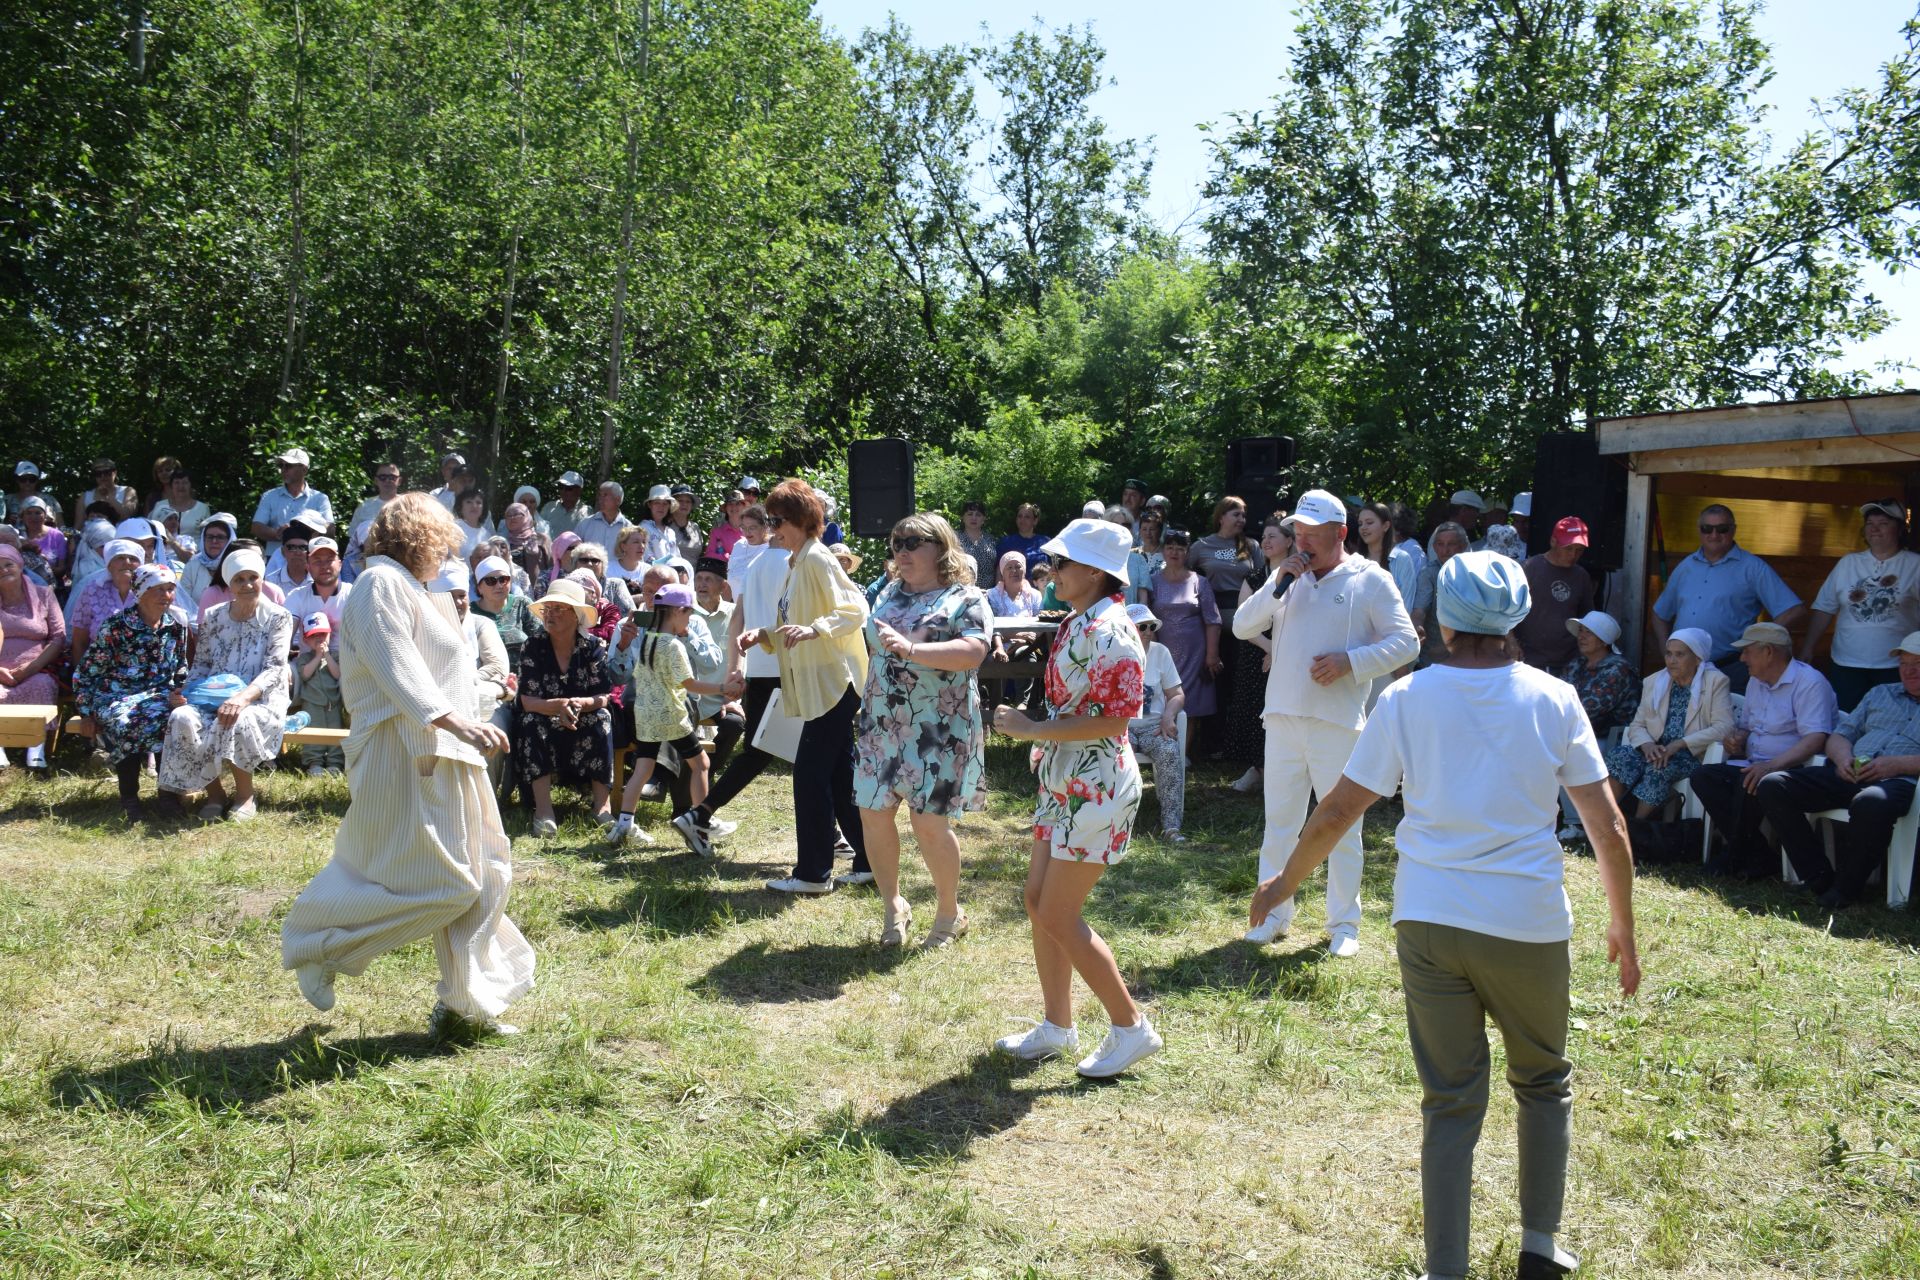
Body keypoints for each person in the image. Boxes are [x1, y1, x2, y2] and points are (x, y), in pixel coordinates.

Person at [1248, 549, 1639, 1280]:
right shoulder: (1554, 698)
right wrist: (1623, 923)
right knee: (1544, 1082)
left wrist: (1282, 884)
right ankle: (1541, 1245)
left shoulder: (1405, 697)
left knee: (1451, 1100)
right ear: (1520, 616)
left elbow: (1336, 810)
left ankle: (1445, 1269)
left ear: (1442, 623)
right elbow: (1608, 827)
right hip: (1527, 922)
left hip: (1429, 920)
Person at [279, 493, 527, 1037]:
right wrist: (454, 722)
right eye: (441, 542)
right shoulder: (378, 582)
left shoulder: (418, 588)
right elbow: (397, 665)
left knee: (487, 871)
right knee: (442, 882)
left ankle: (466, 1000)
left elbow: (451, 669)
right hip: (404, 747)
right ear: (421, 537)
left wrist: (474, 715)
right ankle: (321, 945)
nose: (445, 553)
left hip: (450, 749)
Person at [990, 517, 1162, 1078]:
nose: (1052, 570)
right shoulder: (1078, 620)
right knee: (1039, 903)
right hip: (1068, 781)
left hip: (1098, 784)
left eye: (1062, 563)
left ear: (1093, 571)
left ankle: (1131, 1028)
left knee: (1059, 913)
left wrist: (1032, 729)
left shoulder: (1111, 629)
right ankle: (1058, 1026)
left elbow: (1116, 719)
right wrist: (1043, 737)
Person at [1231, 488, 1419, 954]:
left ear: (1340, 533)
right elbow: (1241, 627)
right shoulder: (1287, 577)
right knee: (1280, 823)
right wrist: (1278, 582)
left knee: (1341, 826)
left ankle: (1344, 926)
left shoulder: (1369, 579)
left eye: (1314, 536)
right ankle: (1273, 914)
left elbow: (1406, 643)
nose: (1304, 544)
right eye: (1300, 534)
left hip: (1337, 722)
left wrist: (1351, 662)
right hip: (1281, 718)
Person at [727, 479, 871, 894]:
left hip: (833, 683)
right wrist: (765, 635)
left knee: (810, 775)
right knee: (840, 774)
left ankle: (812, 874)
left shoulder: (817, 559)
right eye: (770, 520)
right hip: (821, 684)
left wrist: (815, 629)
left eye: (778, 520)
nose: (773, 529)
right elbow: (800, 618)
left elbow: (855, 608)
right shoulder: (798, 562)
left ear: (802, 519)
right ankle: (867, 861)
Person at [854, 513, 991, 947]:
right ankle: (893, 904)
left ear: (941, 548)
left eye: (913, 542)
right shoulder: (889, 592)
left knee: (928, 822)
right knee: (873, 814)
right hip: (881, 720)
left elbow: (973, 652)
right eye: (896, 543)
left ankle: (950, 912)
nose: (903, 551)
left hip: (938, 726)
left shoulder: (964, 598)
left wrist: (914, 649)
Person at [1755, 632, 1920, 908]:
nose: (1909, 670)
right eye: (1904, 663)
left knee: (1870, 802)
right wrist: (1843, 759)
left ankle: (1846, 889)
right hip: (1852, 770)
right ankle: (1818, 877)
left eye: (1918, 663)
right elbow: (1841, 735)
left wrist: (1898, 764)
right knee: (1774, 784)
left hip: (1900, 781)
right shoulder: (1881, 693)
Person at [1689, 623, 1837, 878]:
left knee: (1753, 782)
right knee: (1704, 777)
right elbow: (1747, 726)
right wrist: (1736, 739)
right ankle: (1759, 856)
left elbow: (1816, 739)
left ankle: (1736, 855)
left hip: (1792, 769)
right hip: (1755, 763)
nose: (1742, 658)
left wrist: (1772, 765)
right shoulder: (1756, 681)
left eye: (1747, 651)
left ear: (1768, 652)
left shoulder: (1809, 683)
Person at [677, 510, 789, 845]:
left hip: (761, 671)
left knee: (761, 752)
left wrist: (736, 668)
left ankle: (700, 813)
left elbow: (737, 618)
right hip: (786, 673)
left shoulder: (754, 565)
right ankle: (834, 836)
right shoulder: (793, 563)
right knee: (804, 754)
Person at [159, 547, 294, 821]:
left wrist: (242, 698)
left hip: (262, 698)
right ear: (229, 584)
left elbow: (275, 669)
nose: (246, 585)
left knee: (237, 718)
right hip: (215, 695)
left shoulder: (279, 617)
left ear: (262, 579)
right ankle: (215, 793)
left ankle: (245, 796)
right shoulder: (213, 616)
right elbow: (202, 664)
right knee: (182, 716)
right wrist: (188, 694)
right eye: (239, 579)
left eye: (252, 577)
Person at [73, 563, 191, 820]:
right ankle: (130, 798)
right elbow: (87, 672)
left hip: (159, 696)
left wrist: (179, 692)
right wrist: (85, 712)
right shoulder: (116, 626)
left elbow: (181, 667)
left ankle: (167, 796)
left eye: (170, 589)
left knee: (173, 720)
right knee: (130, 722)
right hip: (116, 696)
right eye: (157, 589)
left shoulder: (175, 626)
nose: (165, 596)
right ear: (139, 592)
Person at [607, 582, 720, 851]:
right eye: (690, 614)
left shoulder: (646, 640)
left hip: (646, 716)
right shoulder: (673, 645)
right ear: (679, 611)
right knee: (701, 765)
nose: (690, 621)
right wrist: (723, 689)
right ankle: (699, 822)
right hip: (672, 717)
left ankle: (624, 823)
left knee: (642, 770)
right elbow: (689, 685)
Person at [1651, 504, 1803, 694]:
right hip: (1684, 668)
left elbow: (1792, 610)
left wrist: (1759, 643)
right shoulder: (1686, 566)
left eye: (1722, 529)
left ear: (1733, 530)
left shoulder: (1752, 568)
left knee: (1726, 723)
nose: (1714, 535)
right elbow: (1659, 614)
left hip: (1730, 668)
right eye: (1707, 529)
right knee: (1681, 722)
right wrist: (1668, 653)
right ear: (1699, 530)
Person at [515, 577, 616, 835]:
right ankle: (544, 811)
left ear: (576, 616)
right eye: (548, 609)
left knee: (602, 718)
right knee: (531, 724)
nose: (550, 614)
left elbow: (604, 695)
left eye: (559, 609)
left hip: (582, 716)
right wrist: (560, 705)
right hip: (543, 715)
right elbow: (527, 701)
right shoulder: (533, 645)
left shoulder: (592, 647)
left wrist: (580, 704)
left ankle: (602, 807)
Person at [1799, 499, 1920, 712]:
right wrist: (1809, 647)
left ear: (1900, 529)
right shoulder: (1848, 563)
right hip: (1847, 665)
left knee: (1889, 722)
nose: (1874, 529)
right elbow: (1825, 607)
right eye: (1870, 523)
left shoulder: (1915, 564)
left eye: (1883, 523)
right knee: (1846, 721)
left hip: (1895, 667)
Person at [1604, 628, 1734, 819]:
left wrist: (1679, 743)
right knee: (1618, 756)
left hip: (1690, 754)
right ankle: (1610, 823)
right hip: (1656, 751)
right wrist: (1647, 745)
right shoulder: (1655, 681)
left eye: (1679, 655)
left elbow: (1725, 727)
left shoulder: (1716, 682)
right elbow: (1637, 724)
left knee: (1658, 770)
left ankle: (1636, 829)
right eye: (1669, 654)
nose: (1671, 660)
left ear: (1697, 658)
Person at [1225, 516, 1299, 794]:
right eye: (1264, 537)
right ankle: (1259, 769)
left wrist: (1280, 651)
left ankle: (1280, 775)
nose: (1266, 542)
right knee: (1255, 714)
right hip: (1257, 654)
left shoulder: (1302, 578)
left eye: (1273, 537)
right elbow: (1242, 620)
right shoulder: (1255, 577)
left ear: (1290, 541)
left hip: (1289, 656)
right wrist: (1270, 648)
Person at [285, 537, 351, 773]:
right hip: (308, 663)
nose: (324, 566)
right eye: (317, 560)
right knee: (282, 674)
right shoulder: (296, 596)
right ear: (308, 565)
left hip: (347, 663)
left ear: (340, 563)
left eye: (330, 559)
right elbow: (284, 637)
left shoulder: (353, 595)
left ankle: (344, 756)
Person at [1125, 603, 1188, 842]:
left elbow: (1177, 694)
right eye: (1142, 627)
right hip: (1122, 726)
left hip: (1154, 726)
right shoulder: (1116, 653)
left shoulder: (1160, 652)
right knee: (1115, 756)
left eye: (1151, 626)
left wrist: (1168, 716)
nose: (1148, 631)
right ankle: (1118, 822)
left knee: (1170, 752)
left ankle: (1172, 826)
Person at [0, 544, 67, 768]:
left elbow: (58, 637)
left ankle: (36, 749)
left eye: (8, 564)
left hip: (37, 668)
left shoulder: (44, 594)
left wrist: (30, 668)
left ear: (20, 566)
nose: (3, 570)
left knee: (42, 684)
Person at [1148, 528, 1220, 729]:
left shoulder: (1200, 582)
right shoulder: (1152, 581)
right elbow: (1146, 617)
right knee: (1162, 693)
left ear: (1187, 552)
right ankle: (1164, 740)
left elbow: (1213, 620)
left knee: (1194, 698)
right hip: (1162, 648)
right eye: (1170, 547)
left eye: (1180, 549)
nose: (1174, 552)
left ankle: (1185, 753)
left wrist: (1212, 655)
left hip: (1194, 652)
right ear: (1163, 551)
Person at [1513, 517, 1597, 670]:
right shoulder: (1528, 569)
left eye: (1579, 550)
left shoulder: (1581, 576)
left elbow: (1588, 620)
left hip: (1568, 662)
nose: (1573, 555)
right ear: (1553, 542)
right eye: (1568, 548)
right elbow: (1506, 611)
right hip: (1528, 660)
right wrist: (1510, 641)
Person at [67, 538, 148, 661]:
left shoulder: (151, 592)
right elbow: (79, 641)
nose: (127, 562)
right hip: (98, 670)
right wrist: (81, 676)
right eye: (120, 558)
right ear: (109, 565)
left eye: (133, 559)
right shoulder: (92, 590)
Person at [1411, 522, 1473, 668]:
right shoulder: (1429, 573)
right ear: (1434, 547)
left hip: (1468, 655)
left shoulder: (1473, 573)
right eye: (1440, 544)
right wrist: (1416, 627)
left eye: (1451, 544)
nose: (1445, 550)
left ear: (1463, 546)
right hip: (1433, 656)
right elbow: (1419, 610)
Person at [252, 447, 334, 557]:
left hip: (309, 558)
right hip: (276, 559)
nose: (283, 469)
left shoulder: (320, 498)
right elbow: (256, 527)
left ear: (304, 470)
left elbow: (330, 530)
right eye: (281, 465)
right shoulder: (269, 496)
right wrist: (278, 534)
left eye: (289, 465)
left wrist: (306, 532)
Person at [1353, 500, 1418, 606]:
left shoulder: (1401, 559)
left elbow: (1406, 604)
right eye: (1360, 524)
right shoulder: (1355, 560)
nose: (1363, 527)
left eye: (1369, 522)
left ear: (1386, 526)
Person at [176, 514, 237, 619]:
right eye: (209, 537)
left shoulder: (236, 565)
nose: (214, 541)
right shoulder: (193, 565)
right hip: (195, 623)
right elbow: (183, 601)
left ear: (230, 540)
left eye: (220, 537)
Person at [73, 457, 138, 528]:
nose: (103, 476)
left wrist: (108, 496)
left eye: (107, 472)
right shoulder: (85, 496)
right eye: (98, 474)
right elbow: (78, 526)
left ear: (115, 473)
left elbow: (127, 516)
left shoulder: (128, 491)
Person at [573, 481, 630, 560]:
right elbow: (573, 551)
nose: (600, 499)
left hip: (618, 572)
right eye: (600, 495)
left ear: (618, 500)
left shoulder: (628, 528)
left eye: (605, 495)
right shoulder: (585, 524)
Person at [150, 468, 210, 538]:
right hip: (165, 547)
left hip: (194, 548)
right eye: (176, 483)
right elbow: (153, 531)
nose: (181, 486)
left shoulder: (203, 508)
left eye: (185, 482)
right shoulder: (160, 505)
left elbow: (207, 535)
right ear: (171, 486)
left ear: (191, 486)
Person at [995, 503, 1049, 580]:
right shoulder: (1006, 542)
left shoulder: (1045, 542)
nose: (1022, 520)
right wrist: (999, 591)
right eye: (1020, 516)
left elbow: (1054, 569)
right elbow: (999, 571)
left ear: (1035, 521)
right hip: (1013, 591)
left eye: (1027, 517)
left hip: (1042, 590)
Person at [348, 463, 403, 535]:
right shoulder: (364, 507)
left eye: (392, 477)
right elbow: (353, 538)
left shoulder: (408, 505)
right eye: (382, 477)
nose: (387, 480)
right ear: (376, 481)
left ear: (399, 481)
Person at [956, 500, 998, 588]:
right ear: (962, 517)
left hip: (988, 592)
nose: (974, 518)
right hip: (962, 591)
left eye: (978, 515)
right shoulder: (954, 539)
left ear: (984, 519)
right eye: (970, 514)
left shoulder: (991, 539)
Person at [987, 550, 1042, 618]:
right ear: (1002, 573)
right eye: (1009, 567)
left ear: (1024, 571)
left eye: (1018, 567)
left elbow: (1039, 621)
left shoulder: (1035, 595)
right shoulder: (991, 595)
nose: (1014, 571)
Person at [6, 461, 59, 525]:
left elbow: (61, 526)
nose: (27, 483)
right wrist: (7, 520)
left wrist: (49, 522)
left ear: (37, 480)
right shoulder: (6, 500)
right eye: (23, 479)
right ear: (17, 480)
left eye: (32, 479)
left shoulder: (50, 500)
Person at [636, 484, 680, 562]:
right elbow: (646, 559)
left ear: (669, 506)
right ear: (650, 505)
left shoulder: (670, 532)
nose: (661, 507)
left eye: (665, 504)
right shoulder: (643, 528)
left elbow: (677, 558)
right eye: (657, 503)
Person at [541, 471, 588, 539]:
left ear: (579, 490)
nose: (563, 491)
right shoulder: (549, 508)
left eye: (569, 488)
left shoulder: (586, 512)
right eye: (561, 487)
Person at [706, 489, 750, 562]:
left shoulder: (750, 531)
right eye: (730, 504)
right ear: (726, 508)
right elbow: (709, 555)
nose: (734, 507)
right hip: (721, 572)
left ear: (744, 507)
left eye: (737, 504)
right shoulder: (716, 533)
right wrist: (730, 558)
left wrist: (726, 556)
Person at [266, 527, 312, 594]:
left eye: (303, 547)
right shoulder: (271, 580)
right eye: (291, 547)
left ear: (310, 551)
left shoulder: (318, 578)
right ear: (283, 551)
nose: (298, 553)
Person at [453, 488, 494, 560]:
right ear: (460, 506)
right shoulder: (453, 528)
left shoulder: (487, 535)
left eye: (478, 502)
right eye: (469, 502)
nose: (474, 506)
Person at [667, 484, 702, 559]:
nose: (684, 504)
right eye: (680, 501)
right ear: (672, 504)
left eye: (688, 502)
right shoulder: (665, 526)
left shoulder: (695, 527)